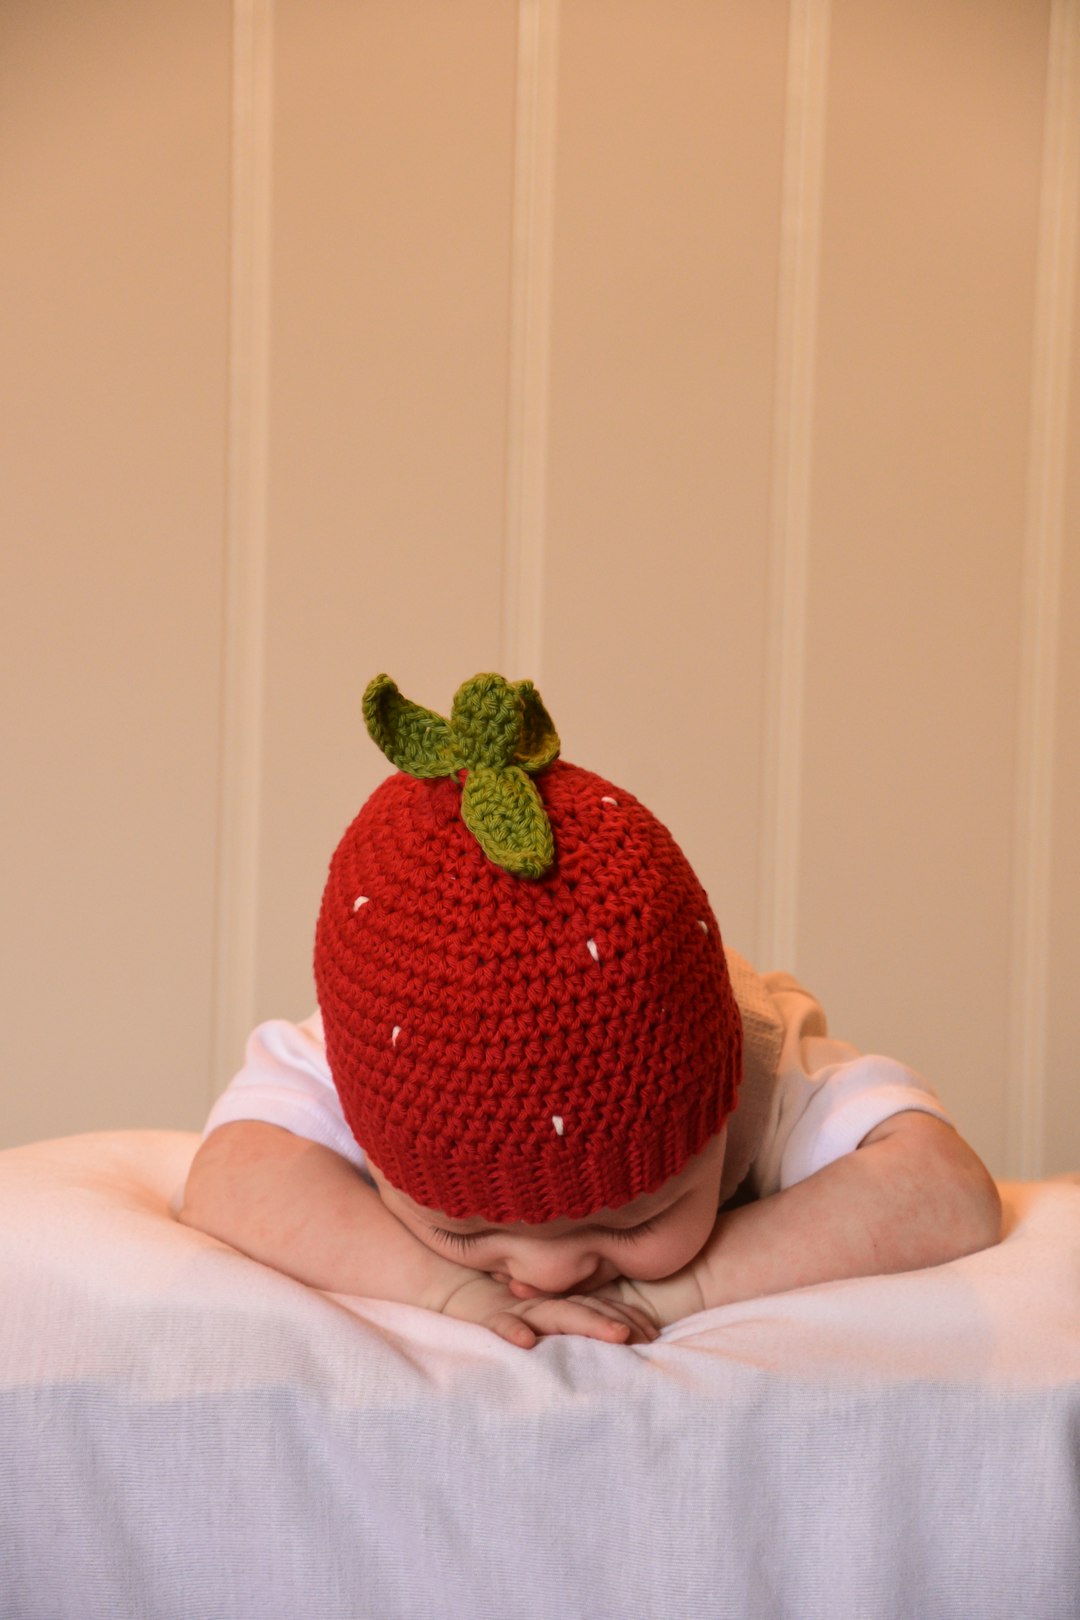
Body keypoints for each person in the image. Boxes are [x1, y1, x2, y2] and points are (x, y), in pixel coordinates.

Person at [178, 672, 1002, 1349]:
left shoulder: (759, 1066)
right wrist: (444, 1286)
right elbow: (230, 1178)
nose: (549, 1276)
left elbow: (945, 1191)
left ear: (716, 1122)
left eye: (638, 1217)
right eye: (465, 1230)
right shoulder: (390, 1051)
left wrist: (689, 1288)